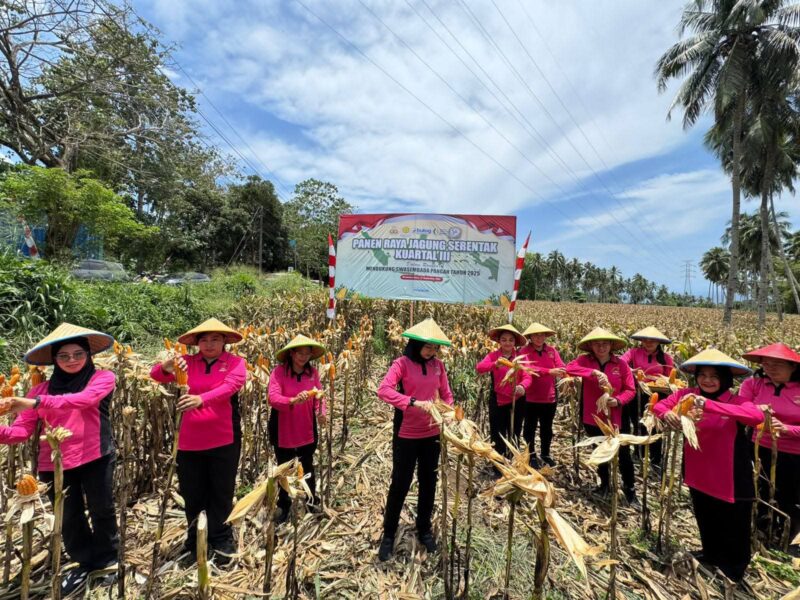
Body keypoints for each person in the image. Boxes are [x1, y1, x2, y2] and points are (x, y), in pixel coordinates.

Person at [0, 323, 118, 595]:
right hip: (54, 462)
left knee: (102, 509)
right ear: (54, 360)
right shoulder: (38, 391)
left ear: (88, 355)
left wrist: (37, 403)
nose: (71, 360)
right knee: (68, 517)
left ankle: (108, 559)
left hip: (96, 454)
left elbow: (84, 400)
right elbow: (21, 431)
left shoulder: (102, 378)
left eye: (78, 354)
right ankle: (84, 562)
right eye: (63, 356)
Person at [652, 349, 760, 582]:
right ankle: (711, 553)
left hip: (729, 472)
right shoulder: (687, 395)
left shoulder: (736, 401)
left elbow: (755, 417)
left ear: (725, 379)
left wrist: (709, 405)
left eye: (714, 376)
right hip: (698, 469)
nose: (707, 380)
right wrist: (667, 414)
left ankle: (735, 567)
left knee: (734, 521)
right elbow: (659, 406)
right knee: (705, 513)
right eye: (702, 375)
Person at [150, 318, 246, 566]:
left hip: (223, 437)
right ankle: (194, 539)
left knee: (221, 491)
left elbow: (231, 386)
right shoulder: (187, 362)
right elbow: (155, 376)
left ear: (224, 341)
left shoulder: (235, 363)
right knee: (192, 493)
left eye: (215, 339)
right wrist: (167, 366)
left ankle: (221, 538)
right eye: (204, 340)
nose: (209, 344)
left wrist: (200, 399)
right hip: (189, 440)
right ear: (197, 343)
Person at [377, 318, 454, 561]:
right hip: (407, 434)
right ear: (416, 344)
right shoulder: (401, 364)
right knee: (400, 483)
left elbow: (447, 395)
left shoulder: (438, 366)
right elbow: (384, 390)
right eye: (427, 346)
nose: (432, 351)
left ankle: (424, 529)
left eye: (435, 347)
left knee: (429, 482)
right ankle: (389, 534)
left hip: (432, 433)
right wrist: (412, 402)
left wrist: (449, 412)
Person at [566, 327, 638, 504]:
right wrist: (593, 372)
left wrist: (618, 400)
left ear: (611, 345)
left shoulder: (621, 364)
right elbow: (569, 368)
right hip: (593, 416)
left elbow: (630, 389)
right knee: (599, 451)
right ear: (591, 346)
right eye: (597, 344)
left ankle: (630, 489)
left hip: (617, 417)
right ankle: (604, 483)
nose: (601, 347)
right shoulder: (585, 360)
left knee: (623, 454)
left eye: (605, 343)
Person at [739, 343, 800, 547]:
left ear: (793, 366)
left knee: (788, 497)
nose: (770, 368)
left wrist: (787, 429)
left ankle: (785, 537)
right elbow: (742, 409)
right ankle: (760, 533)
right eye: (766, 363)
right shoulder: (753, 384)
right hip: (757, 448)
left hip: (794, 454)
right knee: (759, 490)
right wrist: (758, 414)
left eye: (777, 364)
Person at [267, 334, 327, 520]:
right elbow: (273, 398)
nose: (303, 357)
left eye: (307, 354)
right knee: (284, 468)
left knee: (307, 465)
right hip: (283, 428)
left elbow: (319, 396)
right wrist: (292, 400)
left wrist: (321, 412)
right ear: (291, 354)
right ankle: (283, 504)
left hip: (306, 427)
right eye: (300, 353)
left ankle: (311, 500)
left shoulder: (312, 373)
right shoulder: (278, 373)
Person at [475, 324, 531, 460]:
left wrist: (522, 387)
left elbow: (528, 376)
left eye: (511, 340)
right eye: (504, 340)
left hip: (517, 400)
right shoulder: (493, 356)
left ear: (515, 342)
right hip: (498, 400)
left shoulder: (521, 357)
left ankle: (513, 459)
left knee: (515, 431)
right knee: (498, 432)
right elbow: (480, 368)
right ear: (499, 341)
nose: (507, 343)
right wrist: (494, 364)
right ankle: (498, 460)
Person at [621, 326, 674, 465]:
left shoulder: (666, 358)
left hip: (658, 395)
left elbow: (670, 379)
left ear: (659, 342)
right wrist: (631, 370)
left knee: (656, 426)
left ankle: (656, 459)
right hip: (637, 393)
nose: (649, 343)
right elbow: (621, 363)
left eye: (653, 340)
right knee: (638, 423)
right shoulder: (633, 352)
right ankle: (638, 453)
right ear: (641, 341)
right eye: (645, 340)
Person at [519, 323, 565, 467]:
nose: (539, 338)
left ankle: (545, 453)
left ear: (545, 336)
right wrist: (549, 371)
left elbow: (561, 365)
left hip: (549, 397)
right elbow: (527, 368)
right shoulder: (523, 352)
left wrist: (566, 374)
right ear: (530, 337)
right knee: (529, 428)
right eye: (536, 335)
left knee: (547, 428)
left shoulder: (552, 351)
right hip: (530, 398)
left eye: (542, 335)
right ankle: (531, 455)